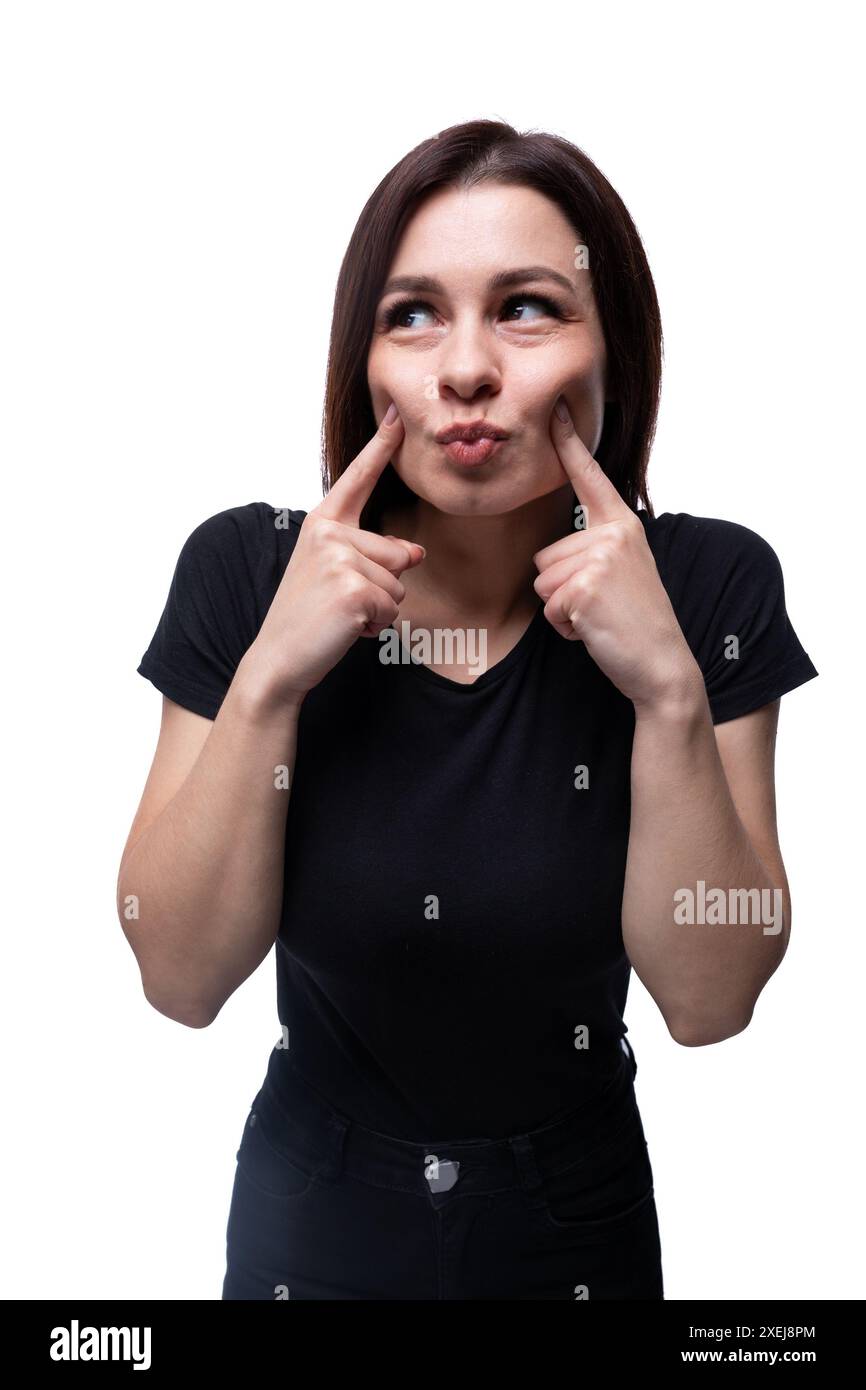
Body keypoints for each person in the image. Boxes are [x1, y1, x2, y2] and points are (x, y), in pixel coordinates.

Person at [117, 120, 818, 1300]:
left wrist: (665, 693)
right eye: (413, 314)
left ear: (615, 348)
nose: (464, 371)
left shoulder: (709, 586)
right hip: (314, 1203)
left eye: (527, 307)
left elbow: (709, 1001)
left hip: (572, 1211)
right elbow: (178, 978)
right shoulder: (247, 568)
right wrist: (270, 677)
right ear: (363, 358)